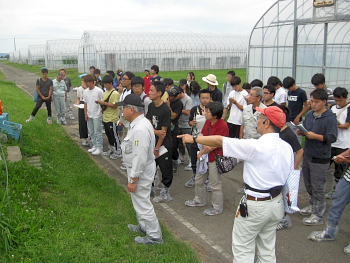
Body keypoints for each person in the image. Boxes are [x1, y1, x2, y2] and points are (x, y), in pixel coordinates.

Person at [178, 106, 293, 262]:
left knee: (243, 249)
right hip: (276, 202)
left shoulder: (256, 146)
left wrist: (195, 138)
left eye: (259, 118)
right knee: (267, 249)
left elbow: (220, 141)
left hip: (256, 203)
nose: (257, 121)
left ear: (266, 123)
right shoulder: (287, 147)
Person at [116, 93, 163, 244]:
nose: (122, 112)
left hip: (140, 170)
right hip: (139, 169)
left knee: (143, 202)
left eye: (123, 108)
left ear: (131, 110)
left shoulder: (140, 129)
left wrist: (134, 179)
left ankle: (154, 236)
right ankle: (144, 227)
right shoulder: (138, 123)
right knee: (138, 201)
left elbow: (140, 156)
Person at [298, 89, 338, 225]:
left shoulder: (330, 118)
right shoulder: (310, 114)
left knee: (318, 187)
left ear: (324, 102)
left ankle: (318, 215)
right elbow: (307, 130)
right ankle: (312, 206)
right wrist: (302, 132)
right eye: (311, 101)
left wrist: (315, 136)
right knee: (308, 185)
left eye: (316, 102)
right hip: (308, 155)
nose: (313, 104)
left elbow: (332, 137)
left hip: (320, 158)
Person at [184, 102, 229, 216]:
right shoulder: (208, 122)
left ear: (215, 115)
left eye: (207, 111)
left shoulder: (223, 126)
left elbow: (218, 144)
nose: (205, 113)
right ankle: (199, 200)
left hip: (215, 158)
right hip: (205, 157)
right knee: (199, 180)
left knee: (215, 184)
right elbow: (203, 136)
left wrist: (204, 150)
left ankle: (217, 207)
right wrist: (204, 148)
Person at [307, 148, 350, 256]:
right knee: (337, 202)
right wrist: (340, 156)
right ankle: (329, 232)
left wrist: (345, 160)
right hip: (348, 177)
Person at [276, 105, 304, 231]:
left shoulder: (288, 133)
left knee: (283, 195)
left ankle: (285, 220)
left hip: (285, 170)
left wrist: (293, 168)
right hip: (278, 169)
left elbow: (299, 151)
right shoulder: (278, 131)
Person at [146, 82, 174, 203]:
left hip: (163, 145)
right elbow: (148, 123)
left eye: (152, 90)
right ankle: (152, 187)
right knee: (152, 166)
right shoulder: (151, 106)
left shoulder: (165, 109)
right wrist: (155, 132)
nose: (149, 92)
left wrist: (157, 149)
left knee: (165, 168)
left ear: (159, 93)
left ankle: (165, 192)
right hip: (153, 141)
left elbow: (163, 133)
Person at [325, 87, 350, 199]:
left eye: (341, 100)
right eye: (336, 100)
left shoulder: (348, 108)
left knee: (339, 171)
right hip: (332, 143)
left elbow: (346, 125)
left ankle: (336, 191)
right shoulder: (332, 107)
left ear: (346, 98)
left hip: (343, 145)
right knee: (325, 167)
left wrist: (334, 125)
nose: (338, 102)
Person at [186, 89, 211, 188]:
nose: (205, 100)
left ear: (210, 98)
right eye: (203, 98)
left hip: (208, 139)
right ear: (199, 98)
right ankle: (194, 176)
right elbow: (190, 121)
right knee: (194, 158)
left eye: (207, 98)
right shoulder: (194, 109)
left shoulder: (213, 110)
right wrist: (191, 123)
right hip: (195, 137)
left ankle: (208, 179)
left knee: (208, 159)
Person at [96, 75, 120, 159]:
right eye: (104, 84)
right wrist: (100, 103)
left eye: (106, 84)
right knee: (108, 135)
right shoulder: (105, 93)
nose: (104, 85)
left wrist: (104, 103)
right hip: (105, 117)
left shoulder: (115, 93)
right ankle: (111, 148)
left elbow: (115, 105)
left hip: (112, 118)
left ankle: (118, 150)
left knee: (114, 135)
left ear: (110, 83)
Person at [284, 76, 309, 145]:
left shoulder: (301, 92)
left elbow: (306, 106)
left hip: (296, 121)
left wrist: (298, 116)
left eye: (289, 87)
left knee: (297, 140)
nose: (288, 89)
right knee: (288, 138)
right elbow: (289, 105)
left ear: (294, 84)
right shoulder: (289, 92)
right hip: (289, 119)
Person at [83, 74, 103, 155]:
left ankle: (99, 147)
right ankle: (94, 145)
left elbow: (102, 102)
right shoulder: (85, 92)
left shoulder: (99, 91)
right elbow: (85, 103)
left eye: (87, 82)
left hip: (97, 114)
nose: (86, 84)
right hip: (89, 113)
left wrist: (101, 111)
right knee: (91, 131)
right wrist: (85, 113)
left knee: (97, 131)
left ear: (92, 82)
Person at [166, 86, 183, 175]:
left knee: (173, 147)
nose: (169, 96)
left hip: (174, 127)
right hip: (167, 127)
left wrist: (168, 106)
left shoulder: (179, 103)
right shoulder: (169, 100)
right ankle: (168, 165)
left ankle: (174, 165)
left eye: (171, 95)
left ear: (176, 96)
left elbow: (173, 116)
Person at [177, 84, 193, 170]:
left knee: (188, 144)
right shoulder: (177, 99)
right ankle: (182, 158)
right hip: (178, 123)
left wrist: (177, 110)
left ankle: (192, 161)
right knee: (180, 143)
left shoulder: (188, 99)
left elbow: (187, 112)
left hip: (186, 124)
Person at [76, 78, 89, 146]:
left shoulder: (89, 89)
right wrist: (78, 104)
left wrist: (86, 88)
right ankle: (84, 138)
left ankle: (90, 137)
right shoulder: (79, 89)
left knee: (89, 122)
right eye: (82, 81)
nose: (83, 83)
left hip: (88, 104)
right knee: (82, 122)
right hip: (82, 105)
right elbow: (78, 99)